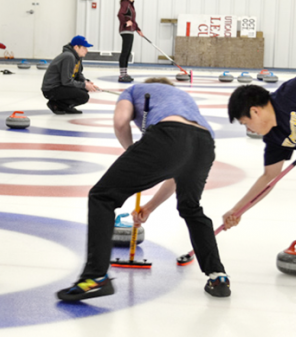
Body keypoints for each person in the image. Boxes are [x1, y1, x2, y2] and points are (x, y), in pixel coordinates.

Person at [57, 77, 230, 302]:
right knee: (190, 208)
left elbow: (121, 122)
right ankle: (218, 276)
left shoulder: (134, 90)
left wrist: (134, 152)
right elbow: (177, 172)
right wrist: (149, 207)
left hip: (168, 135)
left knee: (102, 196)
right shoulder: (183, 99)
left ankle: (96, 276)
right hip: (205, 144)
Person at [223, 75, 296, 230]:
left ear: (255, 111)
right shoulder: (274, 138)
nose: (249, 130)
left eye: (246, 123)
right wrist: (237, 210)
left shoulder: (290, 94)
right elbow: (269, 177)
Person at [41, 36, 100, 114]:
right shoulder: (69, 57)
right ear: (76, 47)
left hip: (60, 85)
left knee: (84, 89)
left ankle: (61, 106)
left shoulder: (77, 57)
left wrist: (86, 82)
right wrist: (84, 85)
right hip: (51, 89)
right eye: (84, 48)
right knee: (83, 96)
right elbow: (66, 81)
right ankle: (56, 104)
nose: (87, 50)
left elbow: (78, 75)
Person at [117, 0, 144, 83]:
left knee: (128, 52)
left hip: (130, 31)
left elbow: (132, 20)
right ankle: (122, 75)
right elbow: (120, 14)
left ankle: (125, 73)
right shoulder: (125, 3)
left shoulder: (131, 4)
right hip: (125, 30)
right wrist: (125, 23)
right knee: (125, 52)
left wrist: (138, 29)